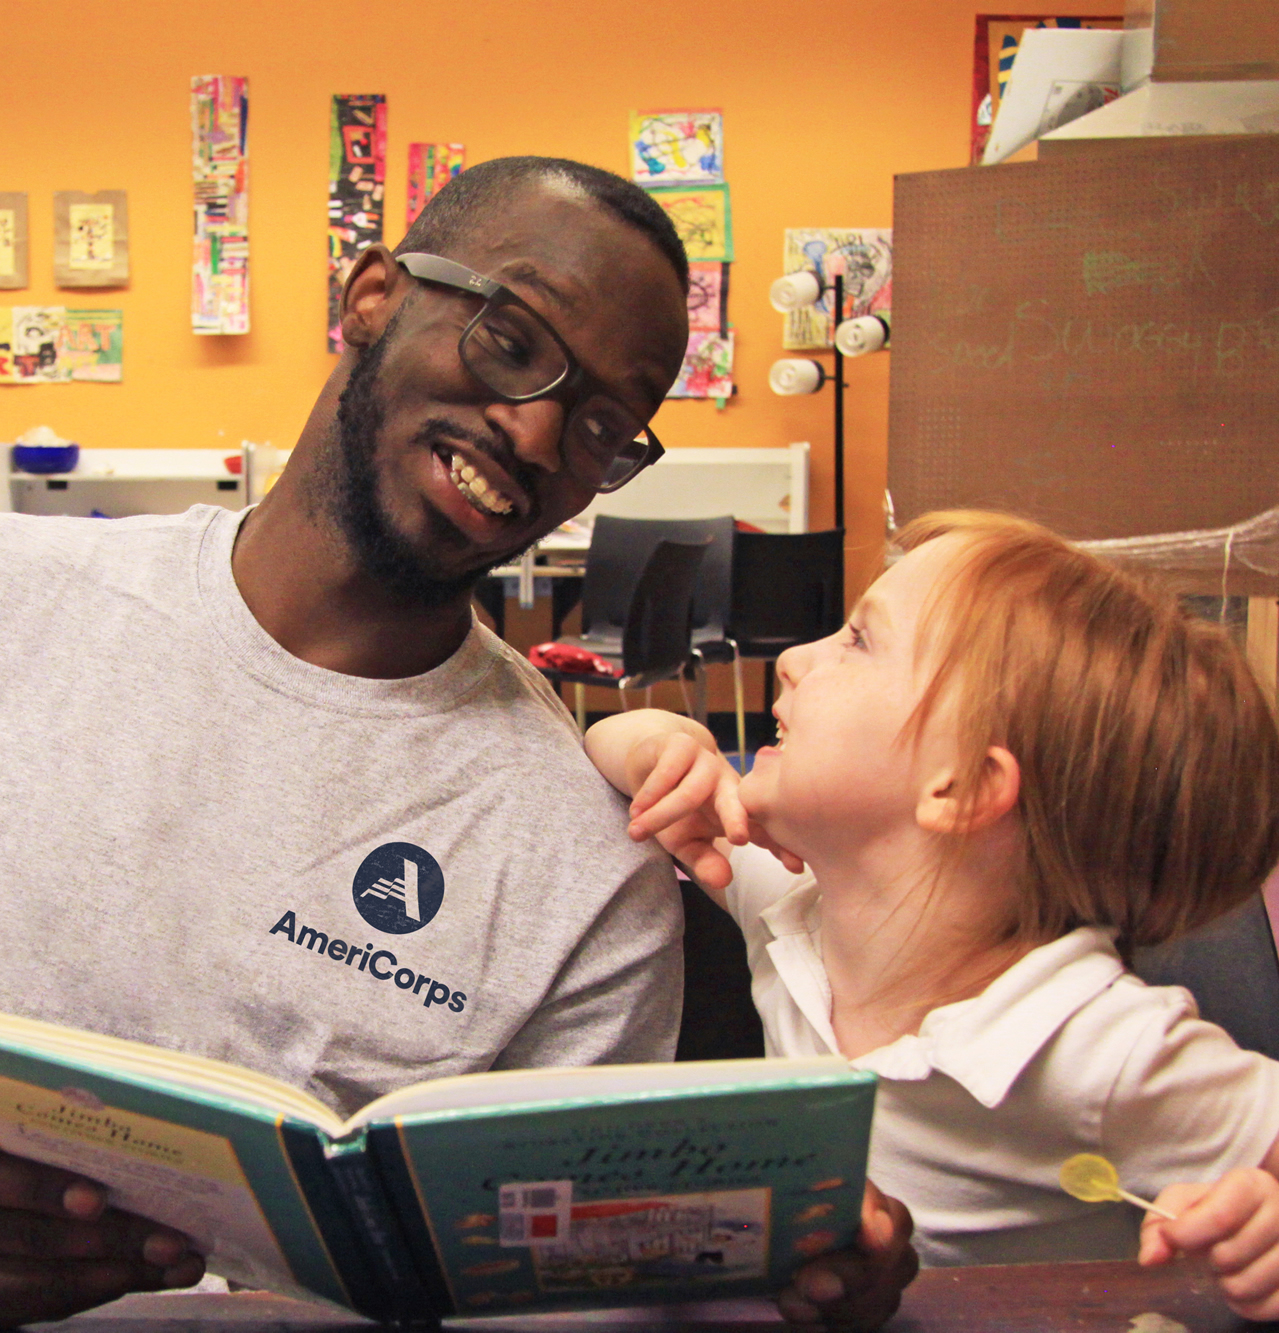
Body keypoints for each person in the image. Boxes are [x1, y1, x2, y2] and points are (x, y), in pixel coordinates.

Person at [0, 157, 913, 1326]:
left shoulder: (588, 866)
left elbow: (560, 1292)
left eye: (600, 424)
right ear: (373, 295)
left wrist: (758, 1271)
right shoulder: (31, 601)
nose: (536, 434)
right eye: (512, 338)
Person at [586, 509, 1279, 1322]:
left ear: (959, 788)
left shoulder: (1089, 1037)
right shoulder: (793, 911)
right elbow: (606, 748)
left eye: (857, 640)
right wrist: (659, 743)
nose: (796, 661)